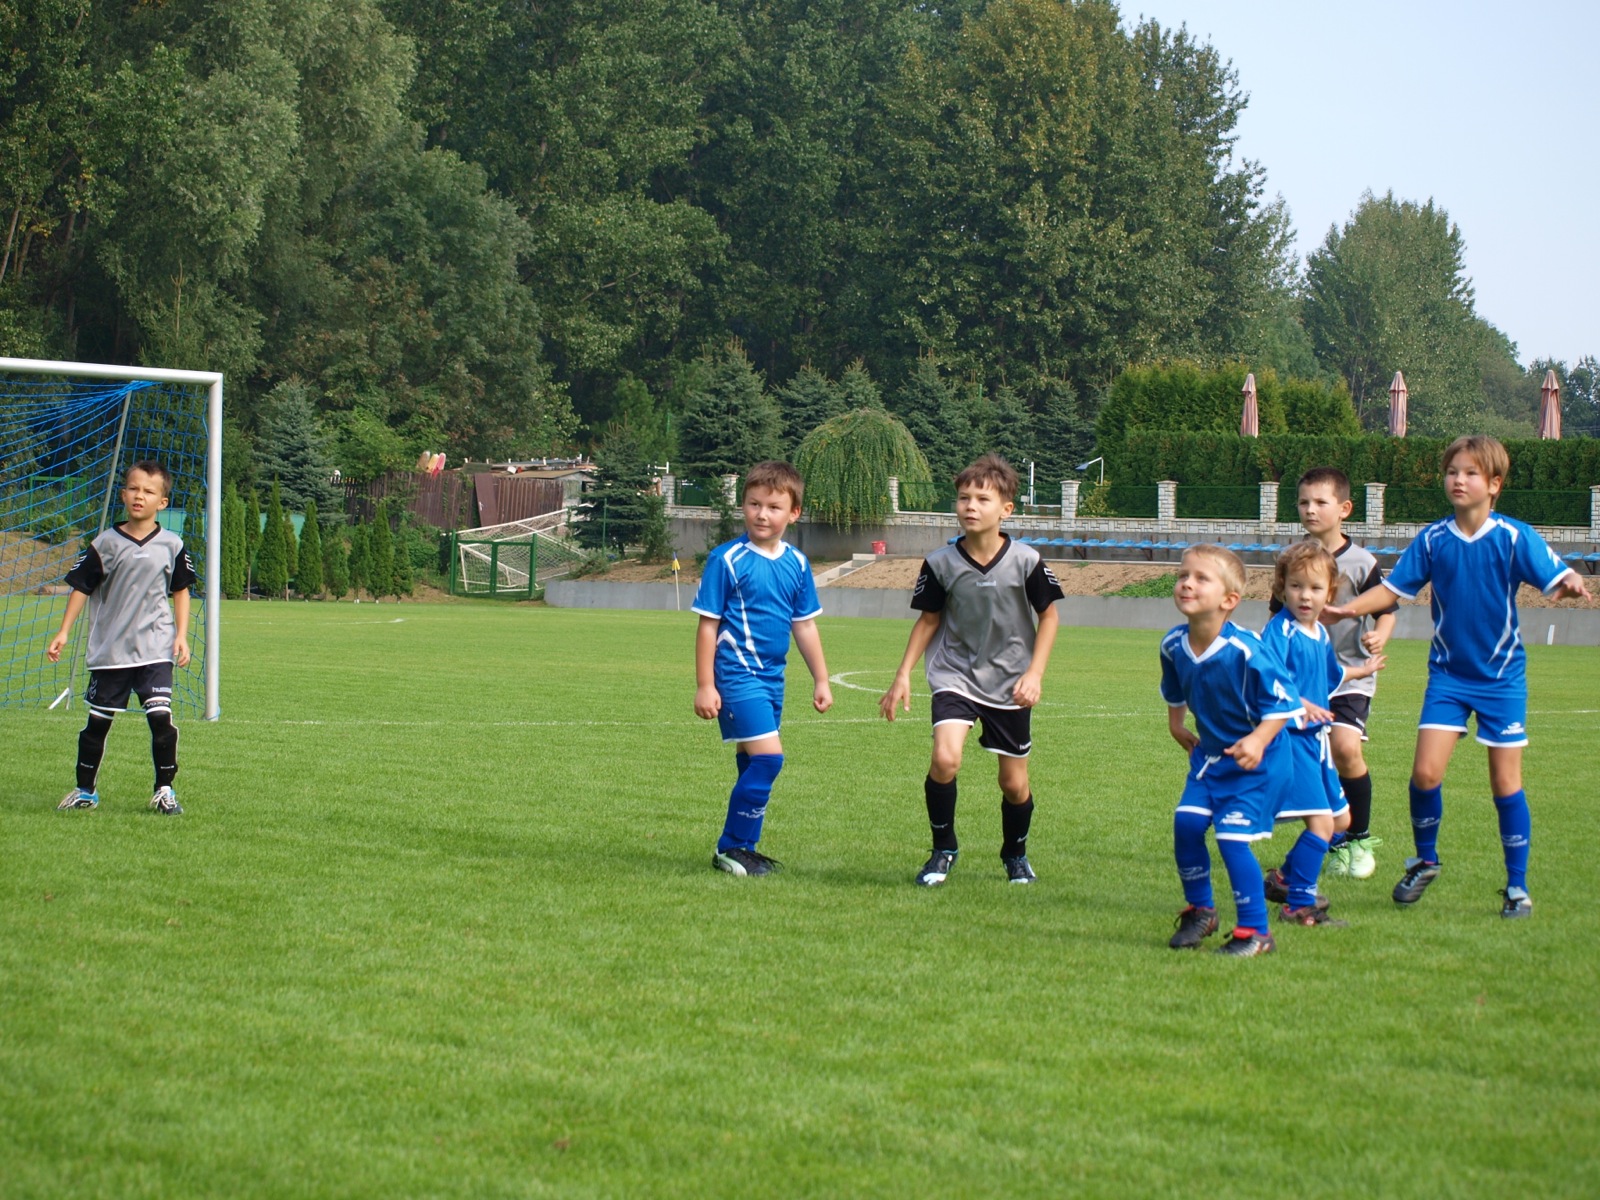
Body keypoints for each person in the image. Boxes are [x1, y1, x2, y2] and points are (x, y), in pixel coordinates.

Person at [1325, 436, 1592, 918]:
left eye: (1470, 473)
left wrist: (1571, 583)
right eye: (1452, 472)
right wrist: (1348, 609)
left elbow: (1558, 577)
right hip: (1447, 677)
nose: (1458, 480)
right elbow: (1392, 591)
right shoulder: (1433, 539)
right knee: (1425, 774)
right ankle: (1425, 862)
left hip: (1502, 679)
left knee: (1505, 783)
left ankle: (1517, 887)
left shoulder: (1514, 536)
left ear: (1494, 484)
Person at [880, 454, 1063, 887]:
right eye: (964, 498)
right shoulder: (939, 563)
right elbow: (928, 620)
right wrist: (903, 673)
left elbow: (1050, 616)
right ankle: (942, 850)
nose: (970, 506)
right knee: (945, 758)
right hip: (955, 674)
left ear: (1006, 509)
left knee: (1013, 784)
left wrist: (1034, 674)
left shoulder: (1027, 560)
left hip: (1010, 682)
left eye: (983, 499)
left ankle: (1015, 854)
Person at [1161, 544, 1304, 956]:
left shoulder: (1247, 649)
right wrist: (1176, 724)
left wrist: (1257, 740)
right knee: (1187, 824)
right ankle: (1201, 911)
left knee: (1231, 839)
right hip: (1210, 759)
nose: (1187, 583)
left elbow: (1285, 703)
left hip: (1260, 761)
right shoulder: (1173, 644)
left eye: (1201, 578)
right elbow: (1174, 688)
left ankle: (1256, 933)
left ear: (1229, 600)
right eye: (1183, 575)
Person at [692, 461, 832, 876]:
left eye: (773, 507)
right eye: (754, 504)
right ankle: (731, 846)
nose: (762, 514)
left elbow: (804, 626)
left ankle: (745, 849)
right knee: (770, 759)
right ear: (744, 506)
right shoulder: (726, 559)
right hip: (736, 675)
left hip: (774, 679)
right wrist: (705, 685)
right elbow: (708, 625)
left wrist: (821, 679)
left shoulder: (798, 564)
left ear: (794, 513)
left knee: (751, 761)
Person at [47, 460, 196, 815]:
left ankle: (164, 791)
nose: (139, 496)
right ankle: (85, 791)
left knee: (161, 720)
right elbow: (81, 588)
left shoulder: (172, 545)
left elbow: (181, 591)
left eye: (148, 491)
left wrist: (181, 636)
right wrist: (63, 631)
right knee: (97, 724)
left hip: (155, 647)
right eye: (133, 488)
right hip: (111, 650)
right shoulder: (105, 544)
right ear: (123, 494)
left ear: (162, 501)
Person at [1276, 467, 1398, 880]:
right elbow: (1276, 617)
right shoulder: (1293, 558)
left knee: (1345, 749)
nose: (1310, 509)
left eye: (1320, 502)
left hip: (1351, 676)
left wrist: (1379, 635)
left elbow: (1387, 610)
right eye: (1303, 502)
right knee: (1315, 764)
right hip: (1304, 682)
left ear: (1344, 508)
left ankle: (1359, 839)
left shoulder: (1362, 562)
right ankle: (1335, 842)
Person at [1259, 541, 1385, 926]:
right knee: (1322, 824)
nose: (1304, 596)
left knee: (1341, 821)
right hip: (1292, 740)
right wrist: (1300, 703)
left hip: (1318, 743)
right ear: (1282, 588)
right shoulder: (1280, 631)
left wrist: (1361, 671)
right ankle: (1299, 903)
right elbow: (1266, 679)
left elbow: (1330, 674)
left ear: (1329, 594)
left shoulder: (1318, 633)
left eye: (1315, 588)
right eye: (1296, 586)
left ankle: (1284, 878)